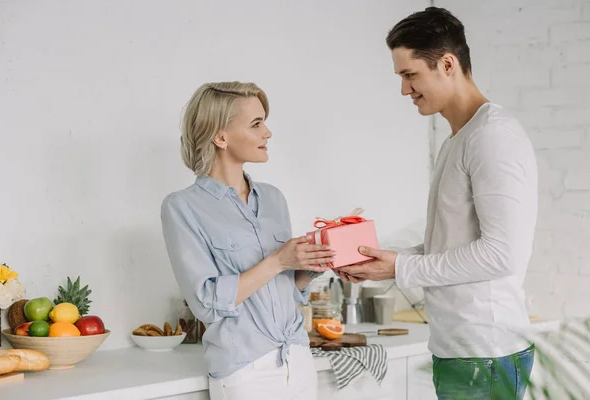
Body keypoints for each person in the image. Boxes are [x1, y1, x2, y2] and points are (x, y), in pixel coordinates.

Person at [336, 7, 538, 399]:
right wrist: (387, 265)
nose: (404, 90)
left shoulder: (492, 137)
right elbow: (453, 245)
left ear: (447, 64)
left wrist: (404, 266)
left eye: (410, 75)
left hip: (487, 354)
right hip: (462, 352)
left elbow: (502, 254)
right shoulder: (457, 140)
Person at [160, 81, 334, 400]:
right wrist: (278, 260)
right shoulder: (182, 207)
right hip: (245, 372)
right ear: (220, 136)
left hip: (297, 359)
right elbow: (206, 302)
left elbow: (283, 290)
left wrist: (310, 267)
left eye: (264, 121)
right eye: (256, 124)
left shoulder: (273, 199)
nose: (267, 132)